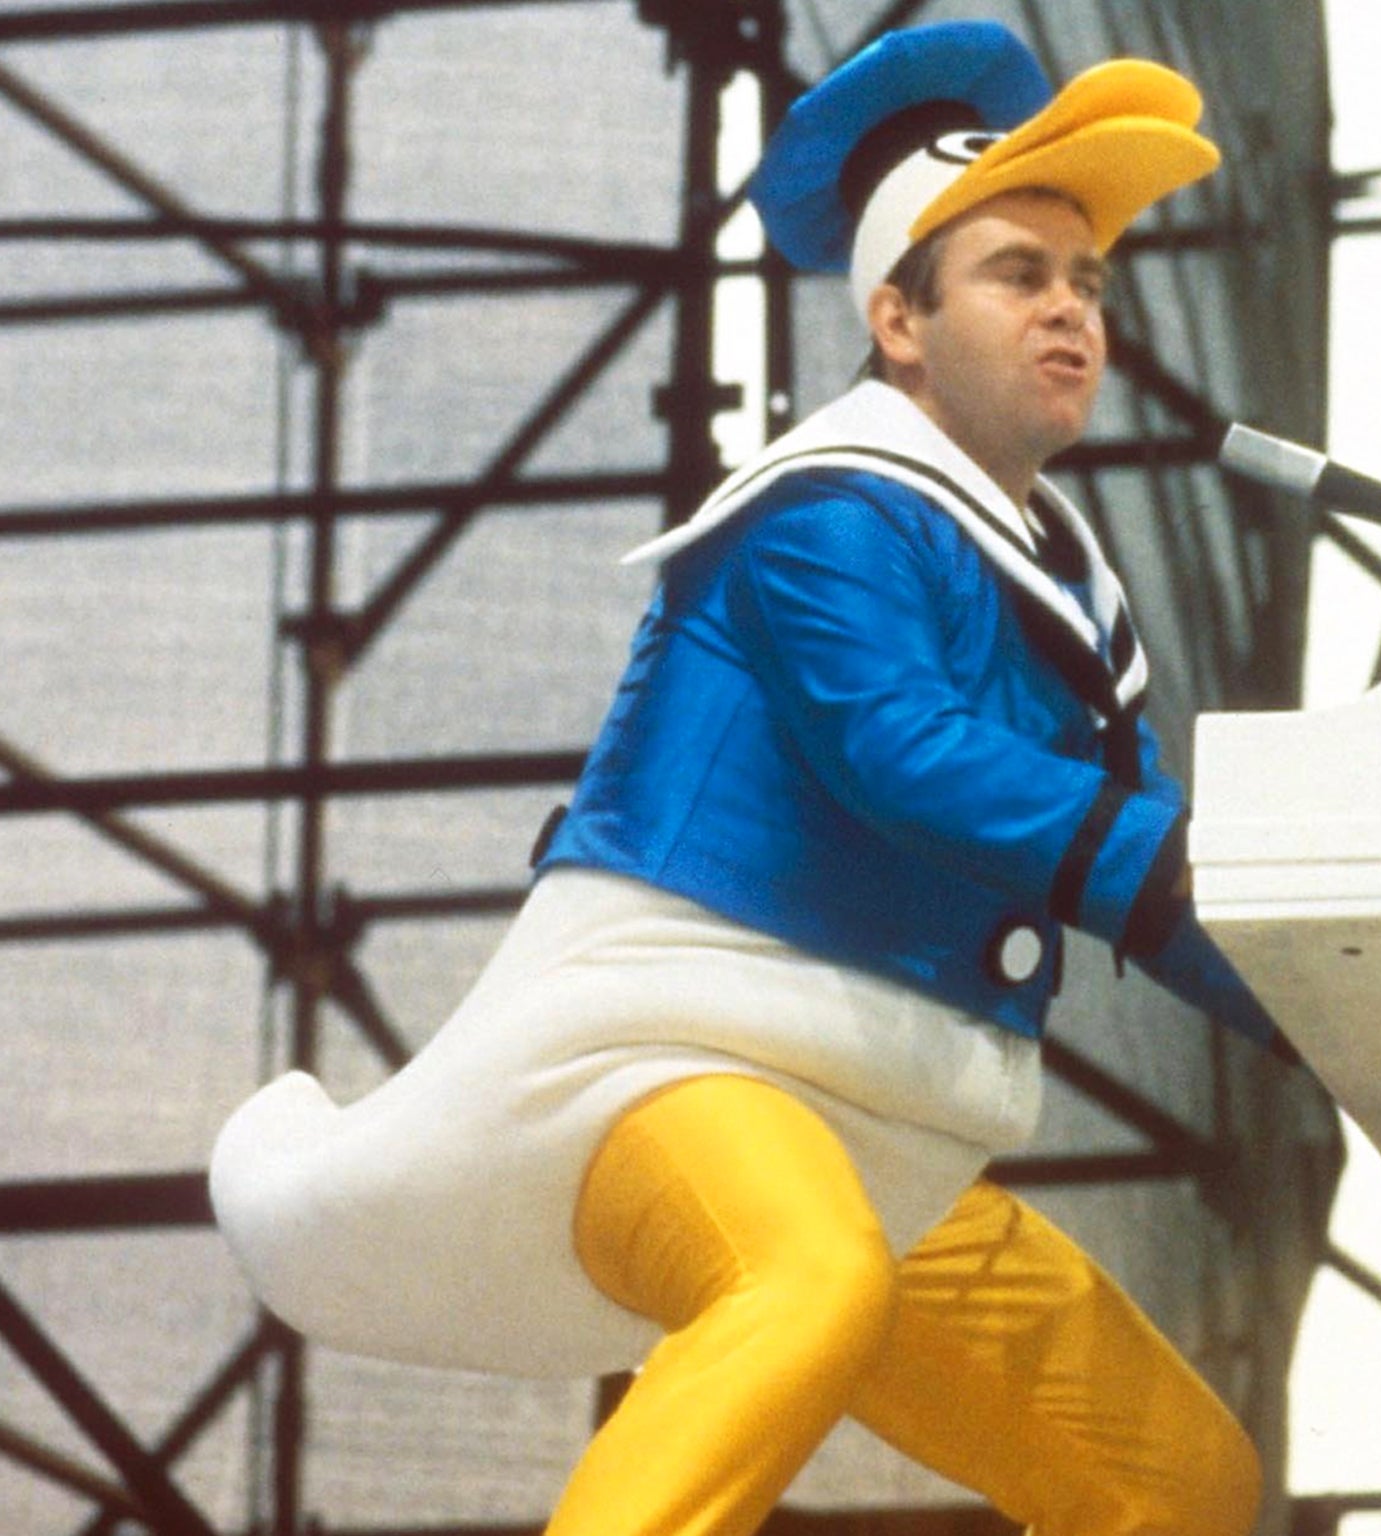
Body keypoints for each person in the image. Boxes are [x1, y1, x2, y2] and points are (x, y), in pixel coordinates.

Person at [210, 21, 1283, 1536]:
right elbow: (901, 754)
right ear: (899, 324)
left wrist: (1338, 993)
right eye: (1018, 274)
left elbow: (1160, 884)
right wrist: (1173, 877)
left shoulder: (1078, 605)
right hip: (662, 1066)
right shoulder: (821, 513)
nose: (1072, 312)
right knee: (805, 1278)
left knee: (1178, 1479)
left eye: (1088, 282)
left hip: (880, 1132)